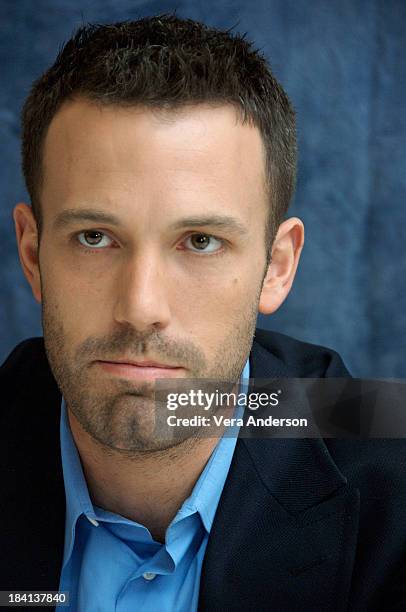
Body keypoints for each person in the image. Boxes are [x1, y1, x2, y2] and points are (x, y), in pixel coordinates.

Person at [1, 14, 405, 612]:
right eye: (94, 237)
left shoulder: (388, 463)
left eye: (199, 241)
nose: (140, 310)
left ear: (277, 266)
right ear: (32, 254)